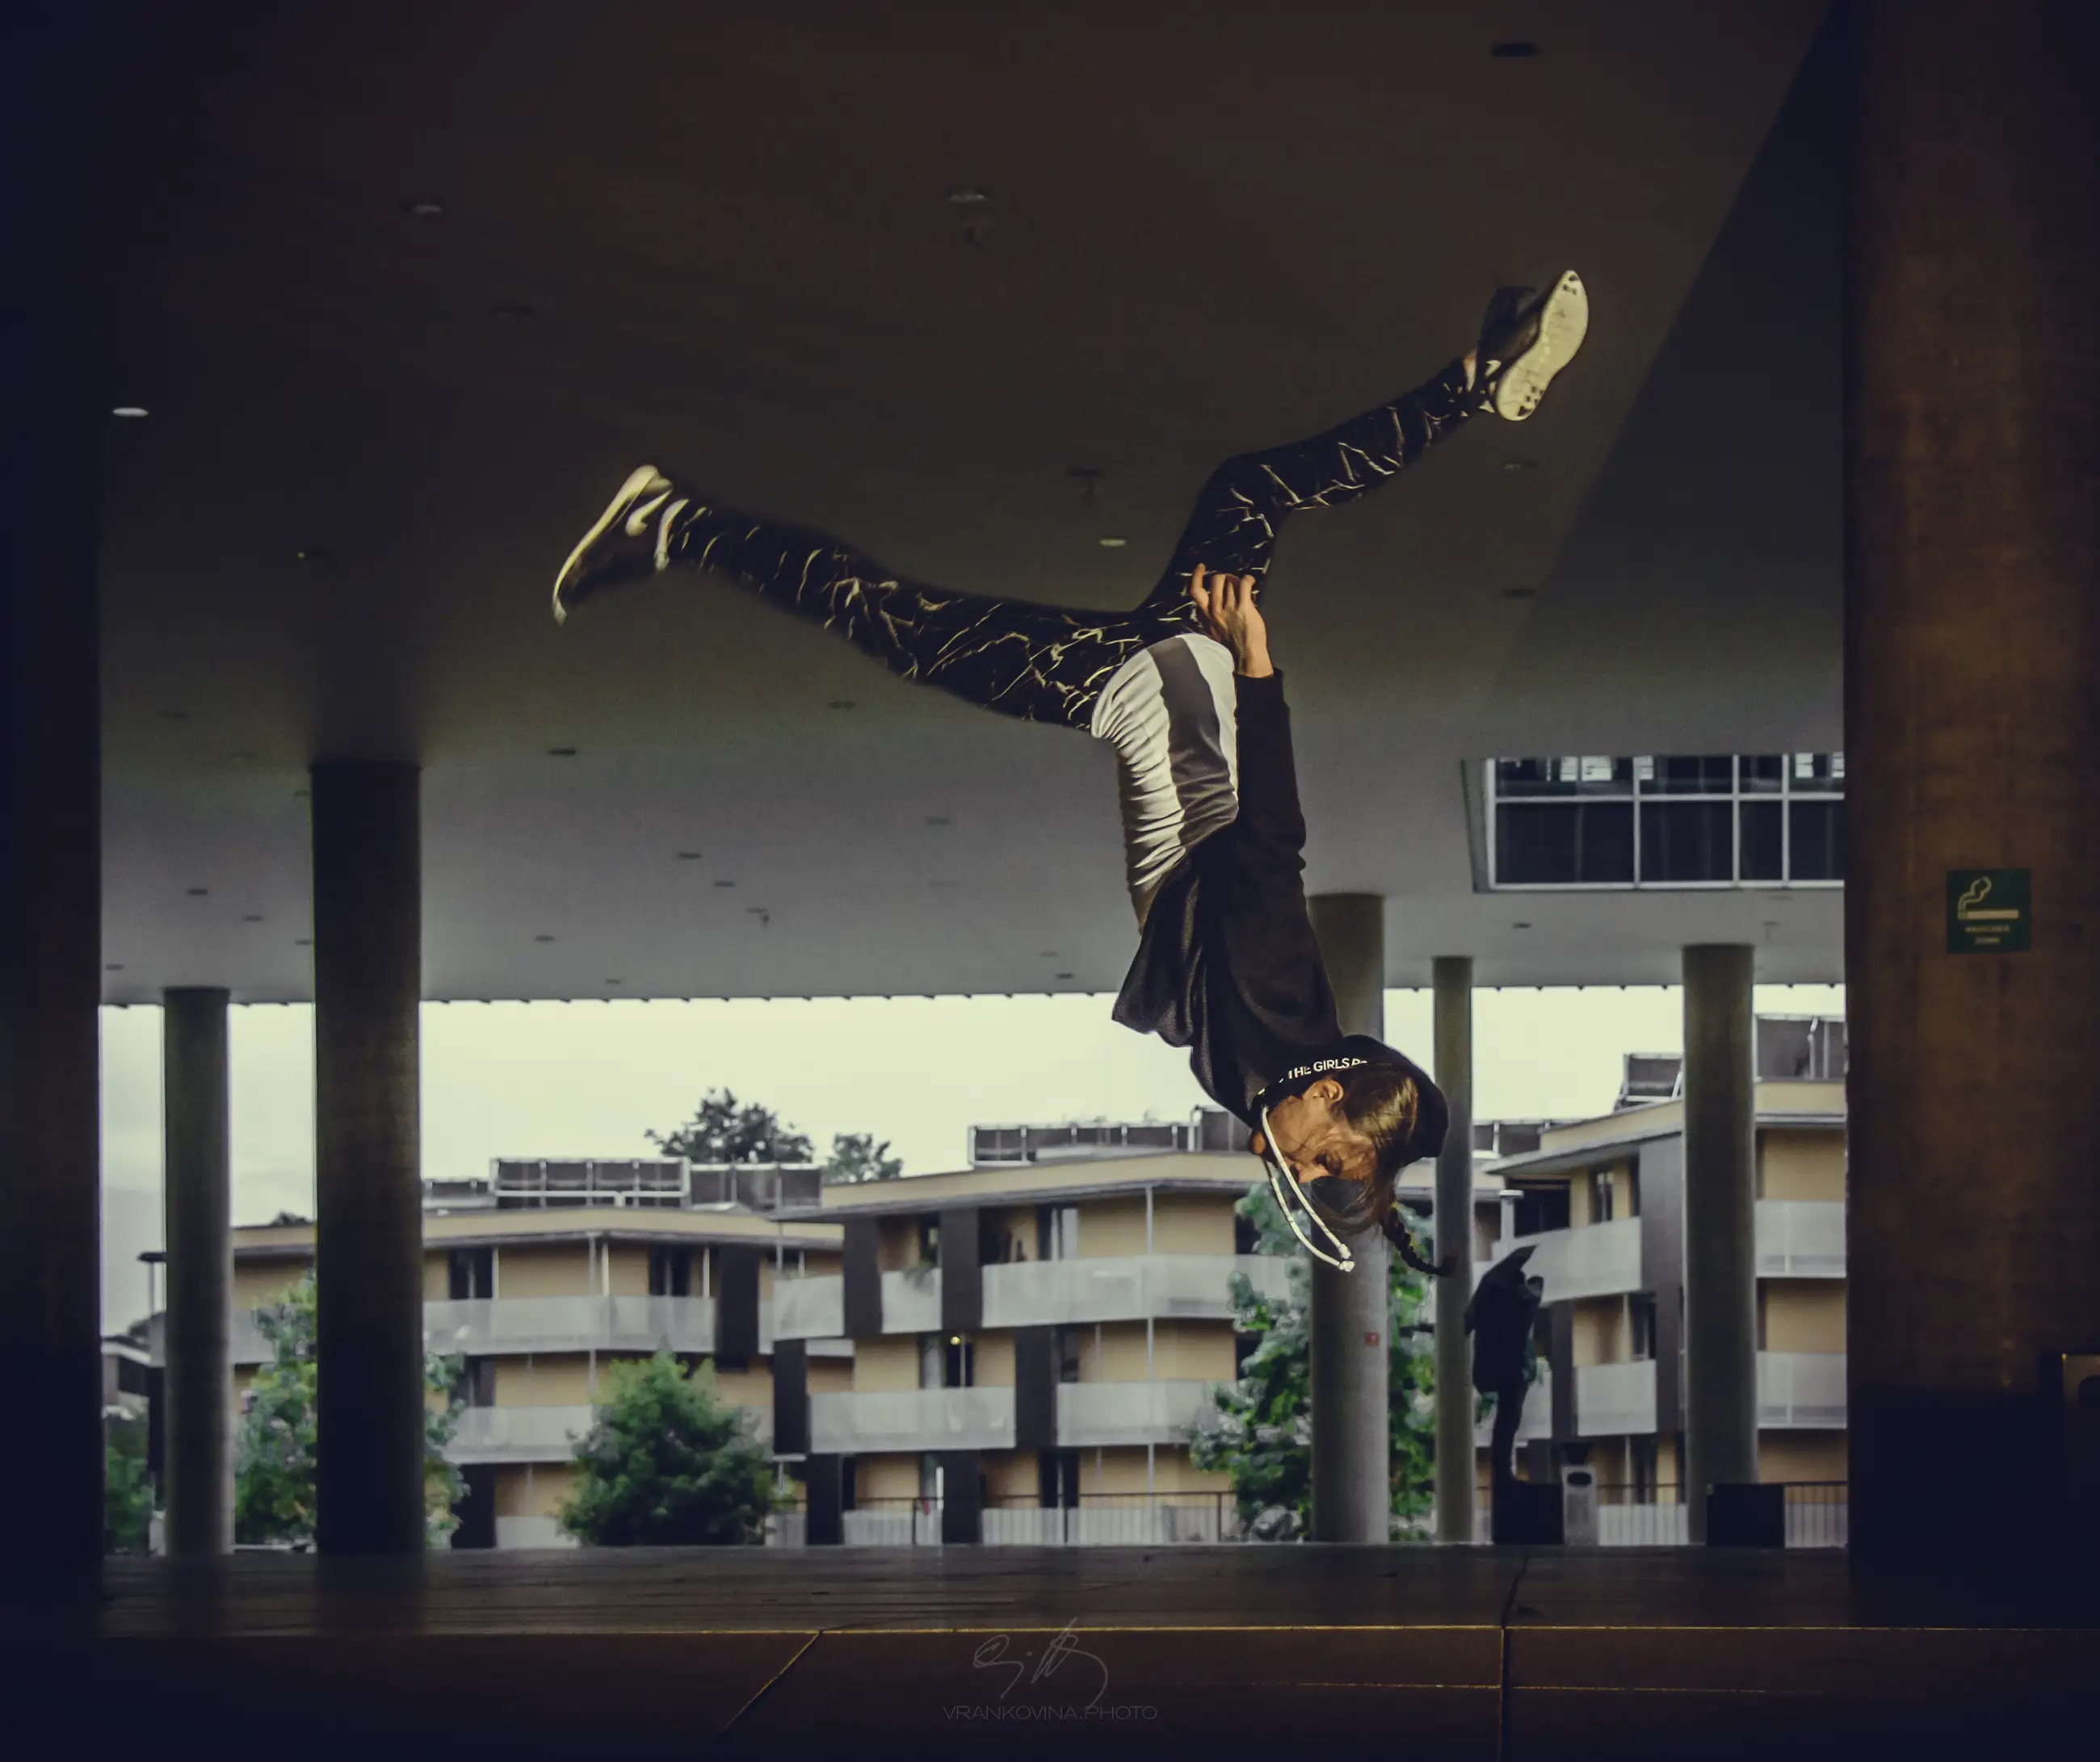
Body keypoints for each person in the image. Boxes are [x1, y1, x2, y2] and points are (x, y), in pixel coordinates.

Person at [551, 273, 1590, 1273]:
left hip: (1174, 684)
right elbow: (1274, 847)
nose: (1301, 1169)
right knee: (900, 627)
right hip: (1156, 689)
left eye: (1322, 1174)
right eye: (1323, 1156)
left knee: (1250, 489)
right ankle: (672, 521)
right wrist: (1259, 671)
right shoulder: (1280, 1012)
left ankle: (1475, 377)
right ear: (1323, 1093)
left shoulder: (1270, 1072)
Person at [1466, 1247, 1546, 1496]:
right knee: (1508, 1424)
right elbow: (1535, 1291)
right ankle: (1503, 1473)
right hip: (1516, 1372)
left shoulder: (1489, 1300)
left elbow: (1469, 1323)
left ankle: (1500, 1472)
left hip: (1492, 1371)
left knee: (1504, 1426)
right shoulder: (1521, 1300)